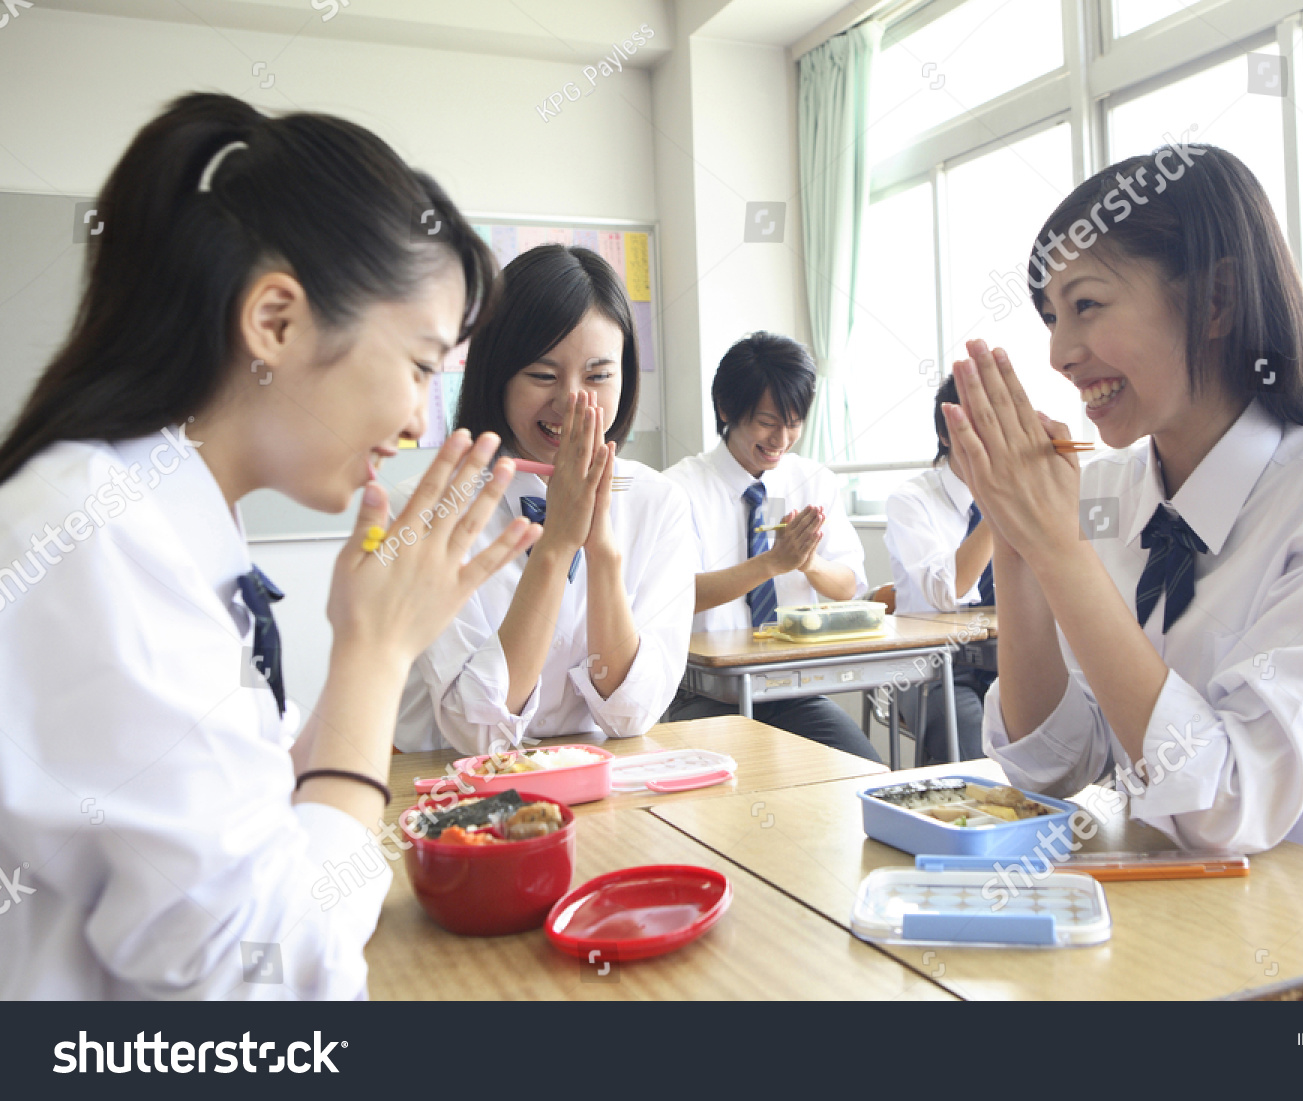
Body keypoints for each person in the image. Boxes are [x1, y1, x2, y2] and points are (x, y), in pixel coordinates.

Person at [0, 94, 540, 999]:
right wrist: (376, 655)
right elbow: (267, 978)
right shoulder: (93, 539)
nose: (419, 420)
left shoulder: (163, 519)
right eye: (417, 366)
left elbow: (262, 813)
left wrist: (366, 628)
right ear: (276, 322)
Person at [945, 144, 1303, 998]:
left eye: (1084, 305)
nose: (1059, 352)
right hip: (1187, 917)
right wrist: (1018, 546)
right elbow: (1058, 764)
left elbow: (1226, 805)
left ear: (1218, 300)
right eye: (1049, 317)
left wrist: (1061, 551)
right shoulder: (1118, 489)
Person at [395, 245, 694, 753]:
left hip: (600, 782)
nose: (571, 401)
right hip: (445, 791)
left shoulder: (657, 502)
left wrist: (601, 550)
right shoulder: (434, 509)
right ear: (497, 374)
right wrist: (555, 547)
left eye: (598, 376)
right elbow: (479, 732)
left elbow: (632, 715)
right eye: (543, 375)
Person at [664, 332, 881, 762]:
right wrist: (771, 563)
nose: (781, 439)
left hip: (792, 691)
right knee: (742, 797)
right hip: (704, 696)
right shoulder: (678, 489)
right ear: (727, 408)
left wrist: (809, 562)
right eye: (767, 422)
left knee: (866, 772)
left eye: (795, 422)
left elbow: (850, 587)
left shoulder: (812, 480)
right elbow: (677, 597)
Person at [882, 374, 995, 762]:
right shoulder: (910, 501)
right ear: (945, 433)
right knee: (969, 744)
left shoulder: (1025, 493)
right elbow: (947, 592)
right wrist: (1000, 508)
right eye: (973, 429)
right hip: (932, 665)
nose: (988, 445)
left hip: (1009, 658)